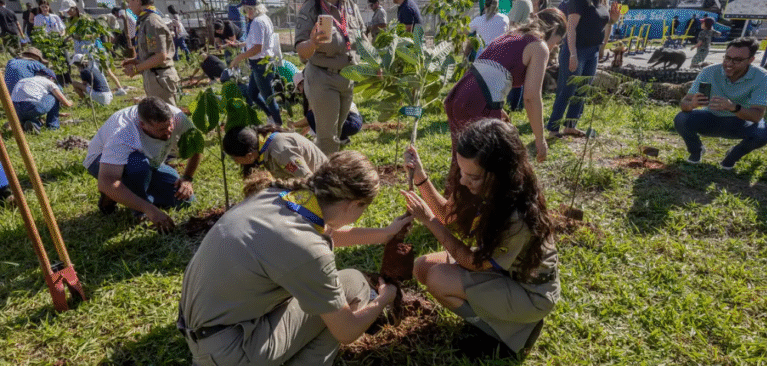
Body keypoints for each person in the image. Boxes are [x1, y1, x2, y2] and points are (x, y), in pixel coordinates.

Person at [178, 150, 413, 365]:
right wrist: (385, 298)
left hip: (207, 334)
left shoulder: (275, 196)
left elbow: (320, 233)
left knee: (323, 299)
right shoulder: (308, 249)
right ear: (354, 204)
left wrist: (385, 234)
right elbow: (347, 331)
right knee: (353, 284)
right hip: (230, 351)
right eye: (364, 208)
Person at [400, 119, 559, 357]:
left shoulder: (517, 216)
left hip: (529, 292)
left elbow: (473, 262)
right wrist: (420, 177)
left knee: (437, 279)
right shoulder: (476, 181)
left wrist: (429, 221)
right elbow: (446, 214)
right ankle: (499, 318)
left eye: (472, 177)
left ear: (500, 174)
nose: (463, 181)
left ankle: (504, 334)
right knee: (422, 267)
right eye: (461, 171)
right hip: (501, 270)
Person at [444, 9, 567, 191]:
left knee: (462, 161)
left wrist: (497, 108)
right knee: (486, 167)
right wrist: (540, 139)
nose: (555, 47)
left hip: (460, 94)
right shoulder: (538, 46)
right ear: (554, 30)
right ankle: (475, 205)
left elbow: (490, 70)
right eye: (557, 41)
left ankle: (451, 203)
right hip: (477, 102)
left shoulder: (512, 35)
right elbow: (531, 97)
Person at [83, 97, 200, 231]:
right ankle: (135, 209)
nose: (168, 131)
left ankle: (127, 192)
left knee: (184, 200)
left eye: (170, 125)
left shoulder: (176, 116)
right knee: (138, 165)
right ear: (142, 125)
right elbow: (106, 181)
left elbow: (196, 145)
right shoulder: (123, 134)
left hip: (149, 161)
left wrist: (187, 178)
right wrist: (149, 209)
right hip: (102, 164)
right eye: (161, 129)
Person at [674, 37, 767, 170]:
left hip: (740, 122)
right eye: (727, 58)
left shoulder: (761, 77)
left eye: (737, 60)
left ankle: (731, 157)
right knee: (681, 118)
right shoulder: (709, 72)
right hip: (711, 118)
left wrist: (733, 107)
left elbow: (757, 116)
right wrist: (692, 104)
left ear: (751, 60)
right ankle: (696, 150)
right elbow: (685, 103)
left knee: (763, 134)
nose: (729, 64)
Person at [295, 0, 366, 155]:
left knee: (338, 132)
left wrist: (376, 62)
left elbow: (362, 37)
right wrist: (312, 43)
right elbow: (301, 51)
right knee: (328, 138)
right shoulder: (311, 8)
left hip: (347, 77)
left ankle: (328, 163)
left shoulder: (350, 6)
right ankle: (325, 168)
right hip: (323, 77)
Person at [544, 0, 620, 138]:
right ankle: (553, 129)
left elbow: (600, 22)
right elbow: (571, 27)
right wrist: (573, 54)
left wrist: (613, 19)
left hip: (593, 51)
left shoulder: (602, 2)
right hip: (577, 51)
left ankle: (570, 126)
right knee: (567, 90)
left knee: (582, 90)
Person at [230, 0, 283, 126]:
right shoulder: (264, 18)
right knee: (252, 93)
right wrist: (240, 45)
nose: (244, 13)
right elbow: (257, 42)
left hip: (261, 64)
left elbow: (258, 48)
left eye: (244, 10)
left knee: (269, 98)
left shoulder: (257, 22)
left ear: (251, 9)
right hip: (261, 63)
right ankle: (270, 116)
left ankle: (279, 125)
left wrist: (239, 58)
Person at [122, 0, 180, 106]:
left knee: (165, 114)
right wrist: (136, 60)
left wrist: (136, 69)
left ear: (138, 1)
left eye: (129, 1)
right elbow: (152, 53)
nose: (128, 5)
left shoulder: (152, 22)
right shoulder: (145, 21)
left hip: (159, 78)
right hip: (153, 76)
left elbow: (160, 56)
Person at [64, 1, 127, 96]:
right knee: (83, 68)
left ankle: (118, 88)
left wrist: (84, 36)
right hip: (80, 47)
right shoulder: (70, 21)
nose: (68, 12)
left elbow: (96, 34)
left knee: (102, 68)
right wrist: (67, 39)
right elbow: (73, 35)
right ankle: (88, 90)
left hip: (92, 47)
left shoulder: (85, 19)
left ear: (75, 8)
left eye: (69, 10)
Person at [223, 124, 328, 179]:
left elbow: (309, 179)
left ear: (249, 156)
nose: (236, 162)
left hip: (324, 184)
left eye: (234, 158)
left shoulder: (281, 153)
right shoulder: (264, 149)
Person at [291, 71, 363, 144]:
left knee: (311, 115)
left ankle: (326, 141)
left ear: (302, 84)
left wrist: (293, 125)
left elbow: (309, 119)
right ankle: (342, 138)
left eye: (298, 88)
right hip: (356, 120)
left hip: (349, 123)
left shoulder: (314, 93)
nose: (300, 92)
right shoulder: (323, 86)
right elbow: (310, 123)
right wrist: (301, 136)